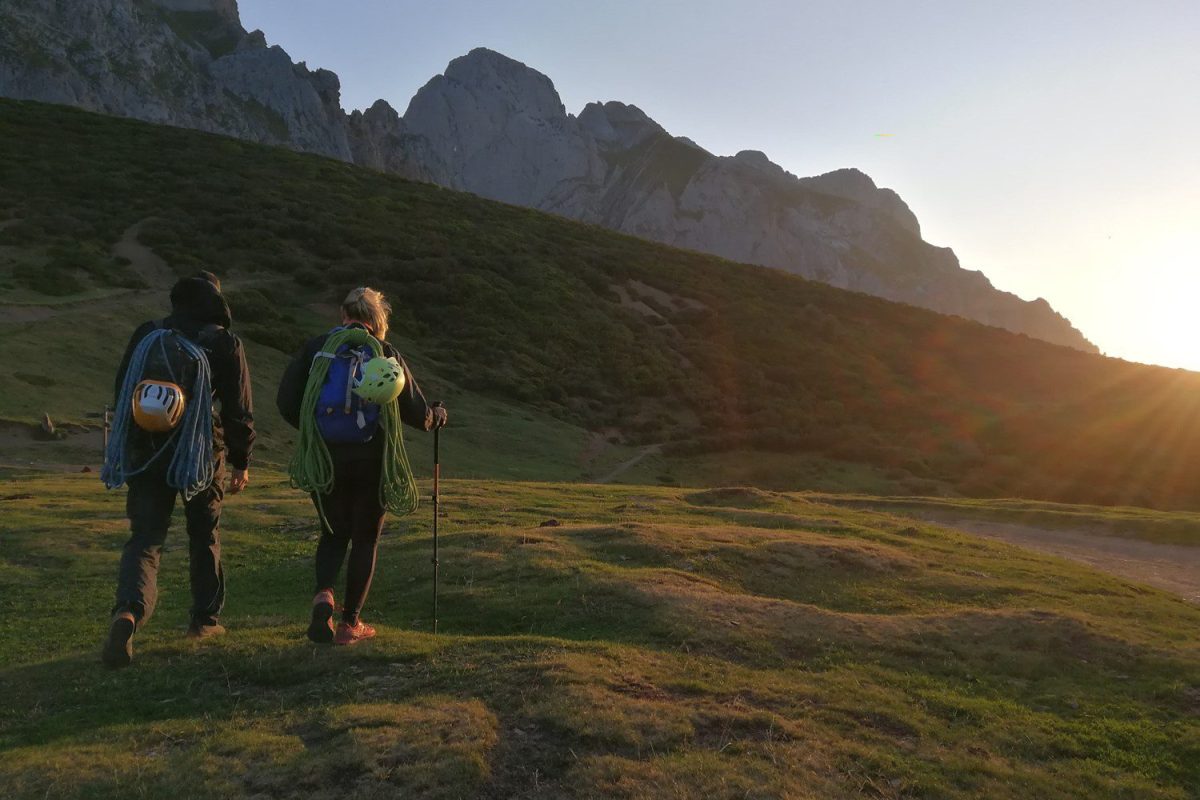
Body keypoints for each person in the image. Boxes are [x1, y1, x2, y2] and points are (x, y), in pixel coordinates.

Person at [101, 271, 255, 668]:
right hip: (201, 455)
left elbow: (123, 391)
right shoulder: (224, 342)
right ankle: (204, 621)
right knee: (204, 533)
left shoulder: (148, 334)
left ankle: (128, 614)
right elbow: (238, 410)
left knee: (145, 538)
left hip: (145, 452)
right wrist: (241, 461)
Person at [276, 287, 446, 645]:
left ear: (344, 315)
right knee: (365, 538)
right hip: (372, 460)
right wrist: (437, 416)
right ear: (377, 320)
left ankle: (324, 595)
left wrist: (315, 432)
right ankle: (350, 623)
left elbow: (286, 401)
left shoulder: (318, 349)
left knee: (333, 533)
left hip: (325, 459)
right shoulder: (383, 352)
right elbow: (416, 412)